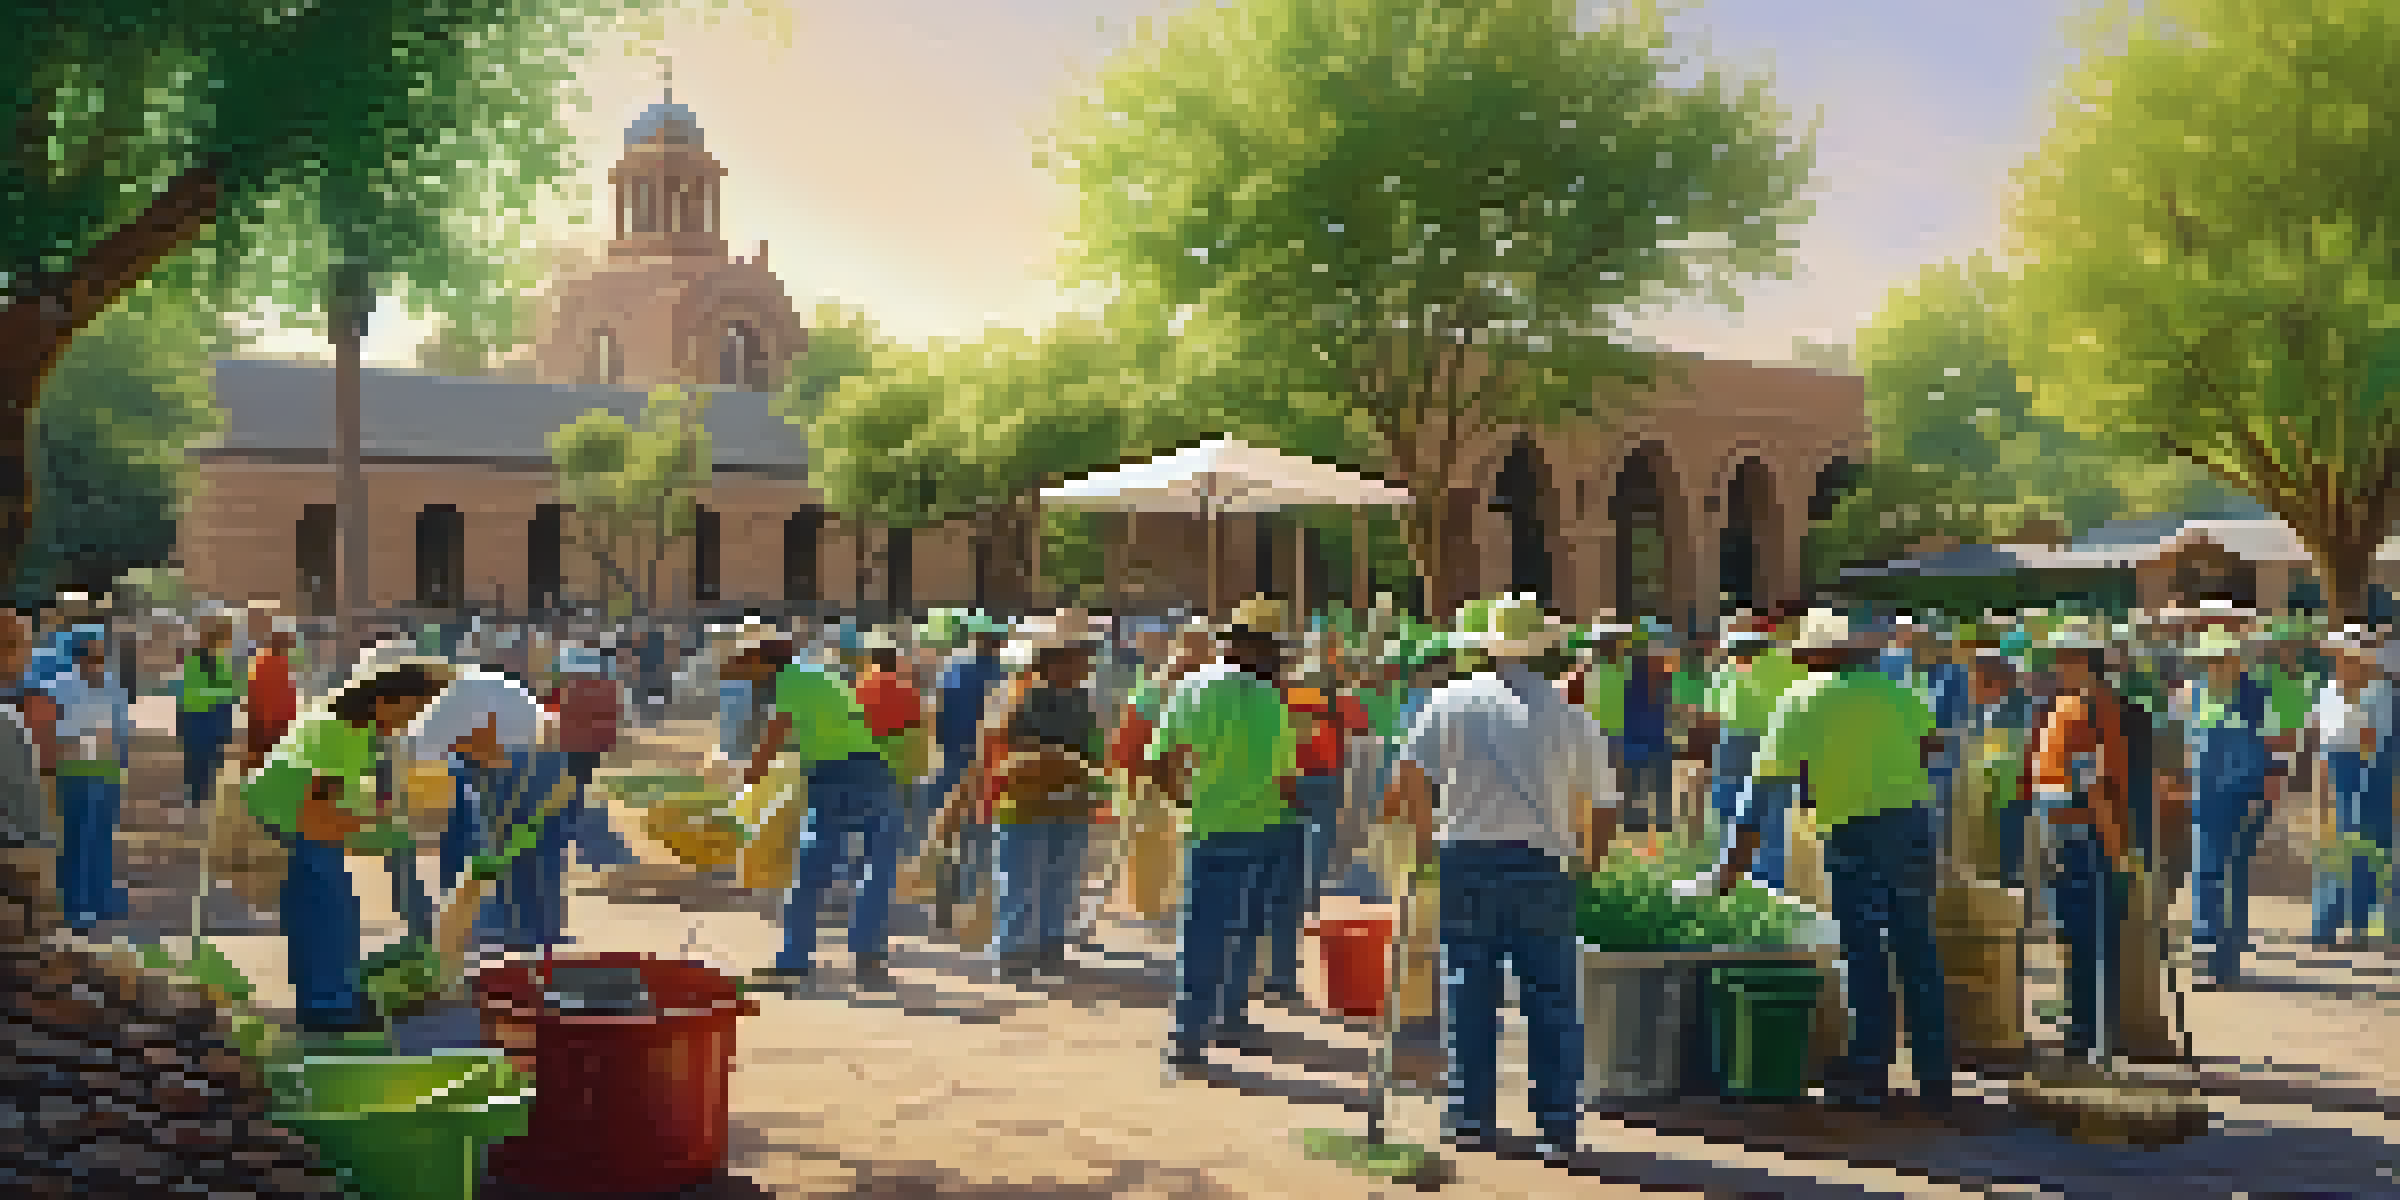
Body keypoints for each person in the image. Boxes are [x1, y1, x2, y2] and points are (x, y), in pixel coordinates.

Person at [1382, 596, 1612, 1161]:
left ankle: (1468, 1117)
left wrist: (1424, 838)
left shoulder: (1447, 702)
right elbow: (1604, 805)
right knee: (1552, 999)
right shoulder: (1571, 715)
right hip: (1543, 864)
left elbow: (1406, 779)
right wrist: (1590, 861)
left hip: (1465, 858)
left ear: (1484, 645)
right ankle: (1557, 1125)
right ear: (1541, 648)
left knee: (1467, 989)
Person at [1710, 609, 1952, 1114]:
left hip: (1853, 832)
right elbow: (1932, 748)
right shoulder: (1899, 692)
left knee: (1863, 951)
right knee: (1916, 949)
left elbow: (1760, 795)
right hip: (1911, 825)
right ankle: (1935, 1078)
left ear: (1822, 655)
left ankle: (1871, 1072)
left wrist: (1730, 868)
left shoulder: (1800, 700)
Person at [248, 661, 453, 1032]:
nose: (409, 725)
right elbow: (317, 813)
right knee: (329, 908)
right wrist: (371, 831)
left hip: (298, 816)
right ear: (387, 702)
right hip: (290, 817)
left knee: (328, 907)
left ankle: (333, 996)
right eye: (411, 713)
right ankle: (328, 1005)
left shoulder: (355, 729)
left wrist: (373, 818)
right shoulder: (339, 732)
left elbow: (342, 796)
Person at [1148, 615, 1300, 1079]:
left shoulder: (1191, 688)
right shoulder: (1271, 698)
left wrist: (1184, 797)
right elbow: (1286, 777)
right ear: (1258, 650)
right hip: (1267, 824)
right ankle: (1230, 1018)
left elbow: (1164, 758)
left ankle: (1187, 1037)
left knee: (1202, 931)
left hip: (1213, 825)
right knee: (1247, 928)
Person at [744, 629, 901, 990]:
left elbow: (775, 734)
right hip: (873, 770)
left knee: (812, 867)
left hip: (834, 774)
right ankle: (870, 960)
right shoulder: (820, 674)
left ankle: (794, 960)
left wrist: (748, 779)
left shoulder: (787, 680)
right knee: (874, 866)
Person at [978, 622, 1105, 979]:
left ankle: (1051, 946)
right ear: (1053, 661)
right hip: (1022, 800)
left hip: (1069, 801)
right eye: (1078, 658)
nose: (1084, 666)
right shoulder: (1014, 696)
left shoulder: (1083, 702)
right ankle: (1013, 951)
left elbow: (1096, 754)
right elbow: (995, 745)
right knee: (1019, 877)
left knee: (1060, 876)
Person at [2030, 636, 2136, 1062]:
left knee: (2089, 936)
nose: (2055, 666)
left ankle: (2091, 1035)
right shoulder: (2066, 704)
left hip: (2084, 837)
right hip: (2061, 833)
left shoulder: (2095, 709)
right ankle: (2080, 1029)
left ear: (2082, 662)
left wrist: (2116, 849)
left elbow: (2097, 787)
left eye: (2063, 658)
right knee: (2071, 936)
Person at [427, 672, 573, 954]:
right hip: (517, 752)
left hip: (530, 757)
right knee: (484, 841)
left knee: (526, 850)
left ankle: (532, 933)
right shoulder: (443, 722)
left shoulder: (527, 750)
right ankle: (497, 928)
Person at [2174, 629, 2275, 987]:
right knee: (2205, 871)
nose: (2217, 667)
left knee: (2234, 874)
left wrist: (2264, 796)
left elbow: (2274, 750)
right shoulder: (2189, 696)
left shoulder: (2259, 697)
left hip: (2246, 796)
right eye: (2211, 660)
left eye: (2223, 659)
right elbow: (2178, 744)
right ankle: (2205, 951)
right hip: (2205, 797)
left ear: (2238, 662)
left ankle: (2228, 954)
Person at [27, 630, 132, 933]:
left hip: (108, 775)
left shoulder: (112, 686)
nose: (98, 663)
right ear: (79, 658)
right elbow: (54, 731)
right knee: (77, 842)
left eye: (101, 656)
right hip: (76, 776)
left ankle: (101, 899)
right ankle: (76, 907)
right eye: (93, 656)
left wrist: (121, 761)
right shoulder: (61, 687)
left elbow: (121, 727)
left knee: (102, 839)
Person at [1696, 623, 1804, 889]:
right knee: (1773, 815)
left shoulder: (1727, 673)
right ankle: (1769, 881)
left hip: (1739, 745)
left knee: (1733, 813)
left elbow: (1711, 719)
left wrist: (1706, 758)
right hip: (1779, 747)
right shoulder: (1790, 669)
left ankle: (1733, 878)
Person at [926, 617, 1012, 925]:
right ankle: (973, 909)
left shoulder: (953, 667)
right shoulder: (1003, 676)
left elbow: (937, 715)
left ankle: (945, 905)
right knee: (981, 838)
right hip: (985, 767)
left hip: (951, 762)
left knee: (949, 834)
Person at [2310, 631, 2390, 950]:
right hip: (2337, 771)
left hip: (2368, 772)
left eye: (2350, 657)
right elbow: (2322, 746)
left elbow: (2373, 743)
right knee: (2331, 854)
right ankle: (2325, 926)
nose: (2343, 663)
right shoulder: (2327, 693)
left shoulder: (2379, 695)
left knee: (2363, 854)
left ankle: (2360, 927)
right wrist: (2322, 791)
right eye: (2340, 657)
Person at [545, 645, 638, 872]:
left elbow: (550, 710)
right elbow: (614, 716)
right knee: (577, 789)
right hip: (591, 746)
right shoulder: (608, 686)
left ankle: (570, 844)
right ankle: (578, 845)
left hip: (569, 745)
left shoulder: (571, 686)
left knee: (569, 791)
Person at [854, 634, 929, 856]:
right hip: (901, 757)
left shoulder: (860, 685)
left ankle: (866, 855)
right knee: (897, 814)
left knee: (867, 813)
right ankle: (898, 855)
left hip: (867, 755)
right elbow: (917, 727)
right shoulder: (906, 688)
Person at [179, 617, 244, 809]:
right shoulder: (195, 661)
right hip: (198, 717)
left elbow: (231, 690)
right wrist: (223, 693)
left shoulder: (222, 662)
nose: (228, 644)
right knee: (197, 758)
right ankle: (196, 796)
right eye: (226, 639)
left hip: (216, 717)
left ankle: (202, 794)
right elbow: (194, 693)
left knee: (212, 759)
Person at [1618, 637, 1675, 834]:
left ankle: (1661, 819)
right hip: (1637, 741)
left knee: (1659, 781)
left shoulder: (1661, 683)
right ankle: (1637, 820)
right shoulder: (1635, 685)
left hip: (1654, 741)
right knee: (1636, 784)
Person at [244, 623, 302, 775]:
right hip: (271, 726)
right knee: (266, 764)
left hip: (265, 725)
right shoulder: (273, 665)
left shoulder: (264, 663)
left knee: (260, 765)